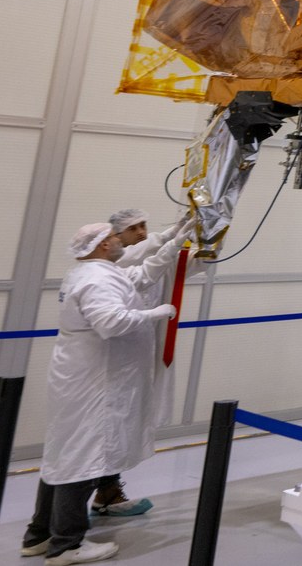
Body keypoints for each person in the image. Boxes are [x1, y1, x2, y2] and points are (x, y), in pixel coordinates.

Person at [20, 223, 179, 564]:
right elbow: (112, 322)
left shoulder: (94, 272)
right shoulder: (96, 279)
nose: (121, 241)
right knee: (82, 461)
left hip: (82, 379)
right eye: (116, 237)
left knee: (63, 458)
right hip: (94, 384)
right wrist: (155, 313)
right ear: (105, 244)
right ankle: (67, 545)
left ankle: (40, 535)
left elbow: (139, 276)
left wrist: (173, 242)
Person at [78, 208, 188, 519]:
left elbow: (153, 268)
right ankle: (65, 522)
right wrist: (169, 237)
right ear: (108, 241)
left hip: (131, 361)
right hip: (105, 366)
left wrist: (211, 236)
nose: (140, 233)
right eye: (131, 229)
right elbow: (141, 268)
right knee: (99, 436)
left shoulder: (118, 267)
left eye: (144, 226)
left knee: (119, 429)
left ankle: (108, 492)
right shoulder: (105, 270)